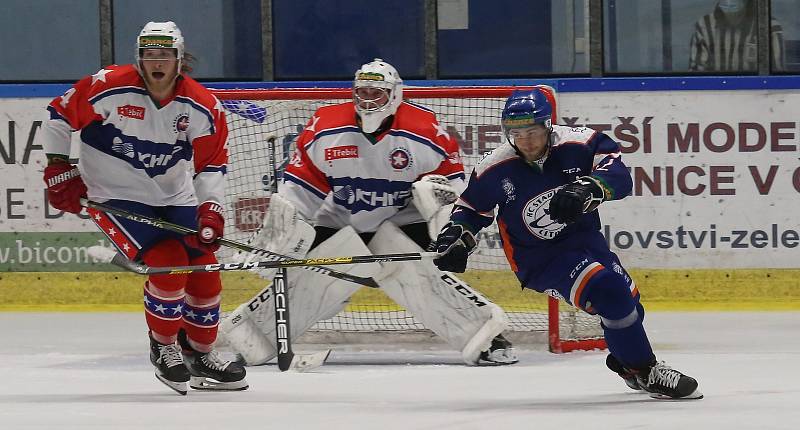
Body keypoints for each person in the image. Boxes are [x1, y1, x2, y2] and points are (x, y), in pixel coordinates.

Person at [219, 58, 517, 367]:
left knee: (415, 272)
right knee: (319, 276)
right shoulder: (326, 127)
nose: (369, 100)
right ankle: (252, 337)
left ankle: (486, 337)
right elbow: (299, 192)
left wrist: (448, 231)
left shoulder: (425, 132)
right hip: (341, 218)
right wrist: (279, 233)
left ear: (395, 95)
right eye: (362, 93)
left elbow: (452, 193)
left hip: (401, 219)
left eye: (378, 93)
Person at [431, 88, 703, 400]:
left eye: (532, 131)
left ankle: (626, 364)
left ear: (548, 126)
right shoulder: (494, 167)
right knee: (610, 291)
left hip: (586, 241)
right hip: (538, 259)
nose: (526, 141)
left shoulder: (580, 143)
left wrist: (590, 187)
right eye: (517, 133)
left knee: (629, 308)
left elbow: (619, 175)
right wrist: (459, 237)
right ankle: (647, 370)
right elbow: (470, 209)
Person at [40, 21, 246, 395]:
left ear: (179, 59)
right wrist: (58, 166)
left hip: (175, 196)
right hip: (115, 195)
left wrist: (210, 210)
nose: (157, 61)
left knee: (204, 268)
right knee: (168, 266)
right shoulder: (107, 87)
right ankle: (164, 347)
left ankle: (200, 354)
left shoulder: (201, 105)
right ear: (139, 58)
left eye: (165, 54)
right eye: (149, 54)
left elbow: (211, 164)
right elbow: (58, 115)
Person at [689, 0, 785, 72]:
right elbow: (696, 73)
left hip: (756, 93)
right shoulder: (705, 25)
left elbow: (777, 77)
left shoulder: (769, 26)